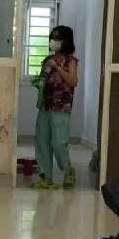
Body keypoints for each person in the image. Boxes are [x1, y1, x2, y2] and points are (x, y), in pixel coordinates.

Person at [30, 25, 78, 189]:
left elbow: (73, 81)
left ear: (65, 41)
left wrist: (57, 67)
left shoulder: (71, 61)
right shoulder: (47, 60)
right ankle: (46, 177)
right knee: (42, 141)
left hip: (61, 107)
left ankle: (68, 171)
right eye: (52, 38)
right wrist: (39, 82)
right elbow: (43, 79)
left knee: (58, 142)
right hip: (45, 106)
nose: (53, 41)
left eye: (57, 38)